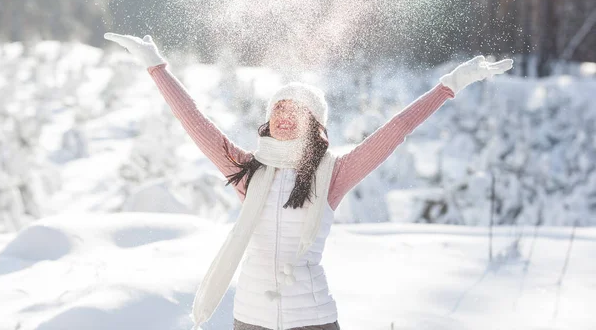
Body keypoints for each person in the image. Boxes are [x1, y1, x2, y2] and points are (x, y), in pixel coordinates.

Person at [103, 32, 513, 330]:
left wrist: (448, 86)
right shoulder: (249, 171)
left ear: (314, 125)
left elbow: (397, 128)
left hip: (311, 320)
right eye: (278, 107)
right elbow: (195, 122)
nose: (283, 115)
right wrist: (156, 66)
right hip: (250, 319)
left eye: (295, 110)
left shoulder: (333, 175)